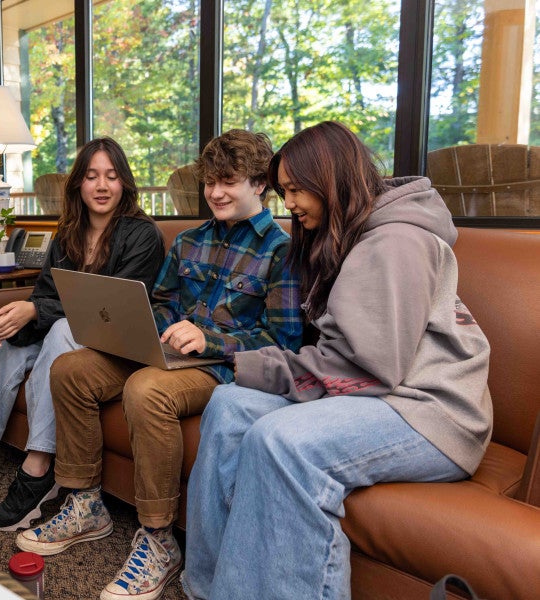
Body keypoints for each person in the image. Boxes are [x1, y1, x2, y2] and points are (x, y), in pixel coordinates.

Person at [181, 121, 493, 600]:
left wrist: (255, 364)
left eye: (293, 190)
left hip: (430, 411)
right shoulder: (353, 234)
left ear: (327, 179)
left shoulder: (396, 242)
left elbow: (361, 369)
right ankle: (209, 587)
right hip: (385, 391)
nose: (288, 204)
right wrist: (248, 372)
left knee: (283, 440)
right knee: (228, 406)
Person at [15, 129, 304, 600]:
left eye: (227, 182)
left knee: (146, 390)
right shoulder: (190, 240)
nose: (215, 192)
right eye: (210, 182)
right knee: (71, 369)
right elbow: (164, 302)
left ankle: (158, 539)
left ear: (259, 185)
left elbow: (284, 341)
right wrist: (139, 325)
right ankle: (86, 503)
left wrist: (206, 337)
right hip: (163, 353)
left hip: (223, 368)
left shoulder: (282, 251)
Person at [0, 137, 165, 531]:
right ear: (79, 184)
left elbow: (112, 308)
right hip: (65, 329)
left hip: (113, 343)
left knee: (57, 327)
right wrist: (21, 315)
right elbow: (45, 292)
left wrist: (37, 310)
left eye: (111, 176)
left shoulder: (143, 234)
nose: (102, 185)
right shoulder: (68, 231)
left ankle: (39, 464)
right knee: (6, 341)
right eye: (92, 176)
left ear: (124, 182)